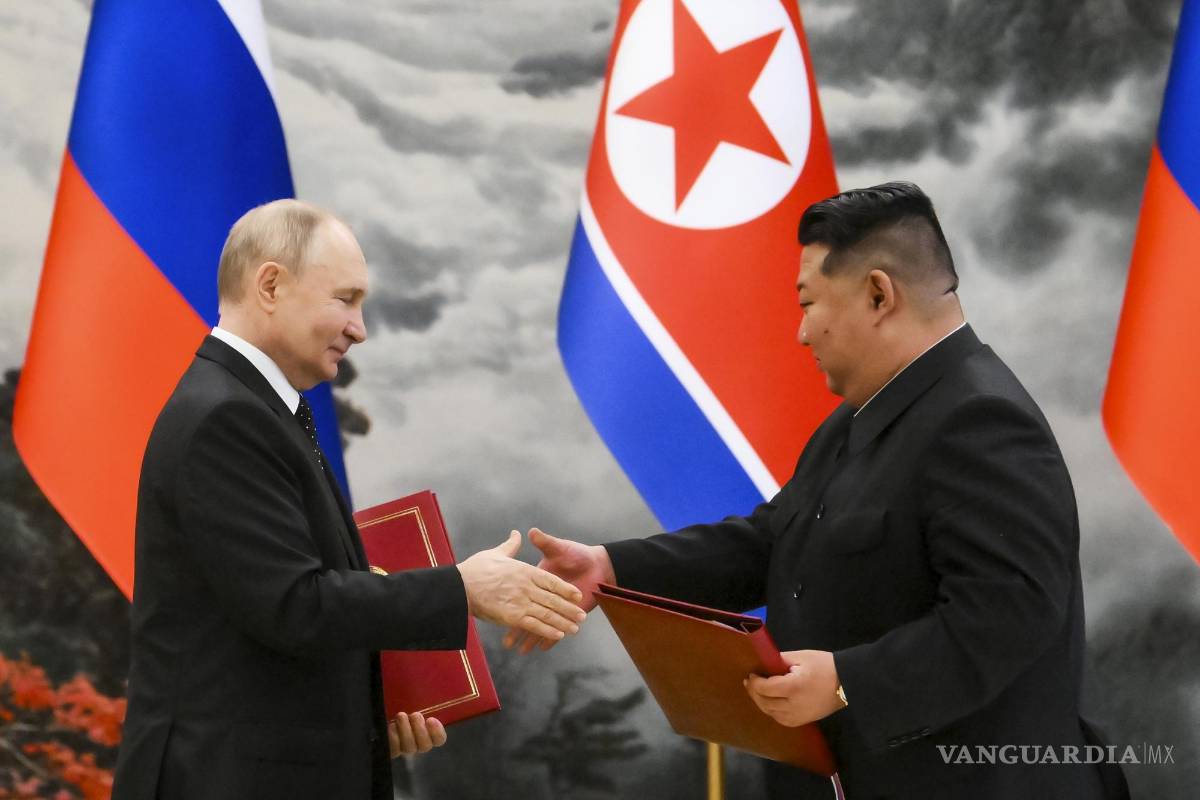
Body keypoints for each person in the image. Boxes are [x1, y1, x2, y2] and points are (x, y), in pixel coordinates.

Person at [512, 183, 1129, 799]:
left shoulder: (983, 418)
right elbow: (775, 540)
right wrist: (611, 567)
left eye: (808, 304)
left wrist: (846, 683)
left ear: (879, 294)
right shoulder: (861, 415)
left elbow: (1008, 616)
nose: (802, 334)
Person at [111, 199, 587, 800]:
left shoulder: (251, 407)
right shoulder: (227, 417)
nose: (360, 328)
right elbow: (295, 605)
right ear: (271, 284)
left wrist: (366, 722)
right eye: (346, 298)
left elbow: (262, 627)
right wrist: (463, 588)